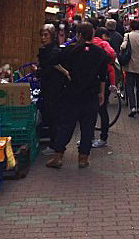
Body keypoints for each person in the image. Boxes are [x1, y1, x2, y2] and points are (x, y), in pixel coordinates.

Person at [46, 23, 108, 169]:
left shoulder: (70, 50)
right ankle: (83, 158)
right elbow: (103, 76)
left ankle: (58, 157)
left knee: (66, 126)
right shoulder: (100, 53)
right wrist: (101, 93)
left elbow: (53, 61)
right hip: (91, 95)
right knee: (88, 128)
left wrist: (65, 72)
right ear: (92, 35)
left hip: (71, 95)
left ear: (79, 35)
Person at [37, 24, 70, 156]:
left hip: (54, 89)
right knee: (52, 116)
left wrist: (38, 71)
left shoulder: (54, 51)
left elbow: (49, 70)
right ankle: (55, 144)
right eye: (42, 35)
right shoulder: (48, 50)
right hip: (50, 88)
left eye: (46, 35)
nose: (43, 38)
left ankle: (55, 145)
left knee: (54, 117)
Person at [92, 28, 117, 148]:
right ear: (103, 36)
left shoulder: (90, 43)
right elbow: (112, 54)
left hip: (90, 80)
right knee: (102, 110)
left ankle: (89, 137)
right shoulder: (103, 43)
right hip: (104, 79)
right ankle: (103, 138)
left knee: (89, 111)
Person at [121, 19, 139, 117]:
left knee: (130, 87)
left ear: (131, 27)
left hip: (130, 65)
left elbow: (123, 47)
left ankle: (132, 107)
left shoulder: (127, 35)